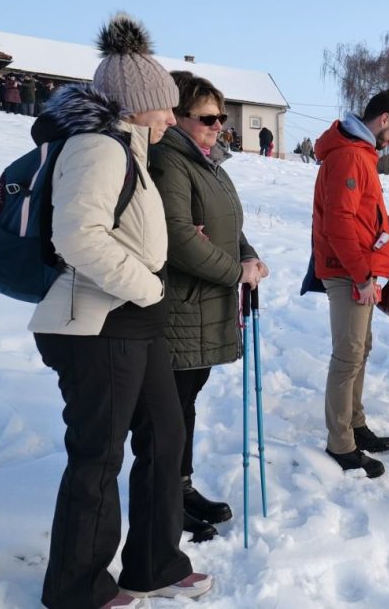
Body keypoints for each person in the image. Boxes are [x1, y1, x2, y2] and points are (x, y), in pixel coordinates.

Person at [29, 14, 211, 608]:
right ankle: (77, 588)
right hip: (98, 324)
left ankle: (154, 563)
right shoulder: (97, 148)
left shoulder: (126, 148)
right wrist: (146, 285)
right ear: (135, 105)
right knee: (98, 455)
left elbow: (124, 230)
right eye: (165, 107)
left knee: (165, 434)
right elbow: (77, 236)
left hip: (132, 319)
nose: (172, 118)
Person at [148, 71, 269, 542]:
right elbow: (178, 237)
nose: (220, 126)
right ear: (176, 117)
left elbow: (229, 225)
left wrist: (248, 255)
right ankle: (163, 498)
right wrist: (235, 271)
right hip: (180, 307)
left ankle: (180, 487)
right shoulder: (169, 162)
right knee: (169, 411)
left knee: (186, 403)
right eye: (208, 118)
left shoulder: (207, 163)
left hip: (203, 306)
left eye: (221, 118)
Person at [312, 89, 389, 474]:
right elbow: (339, 223)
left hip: (359, 272)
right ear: (384, 119)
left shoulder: (360, 154)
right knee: (348, 354)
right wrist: (361, 275)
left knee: (360, 349)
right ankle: (340, 443)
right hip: (348, 272)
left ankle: (355, 425)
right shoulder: (349, 156)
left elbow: (363, 219)